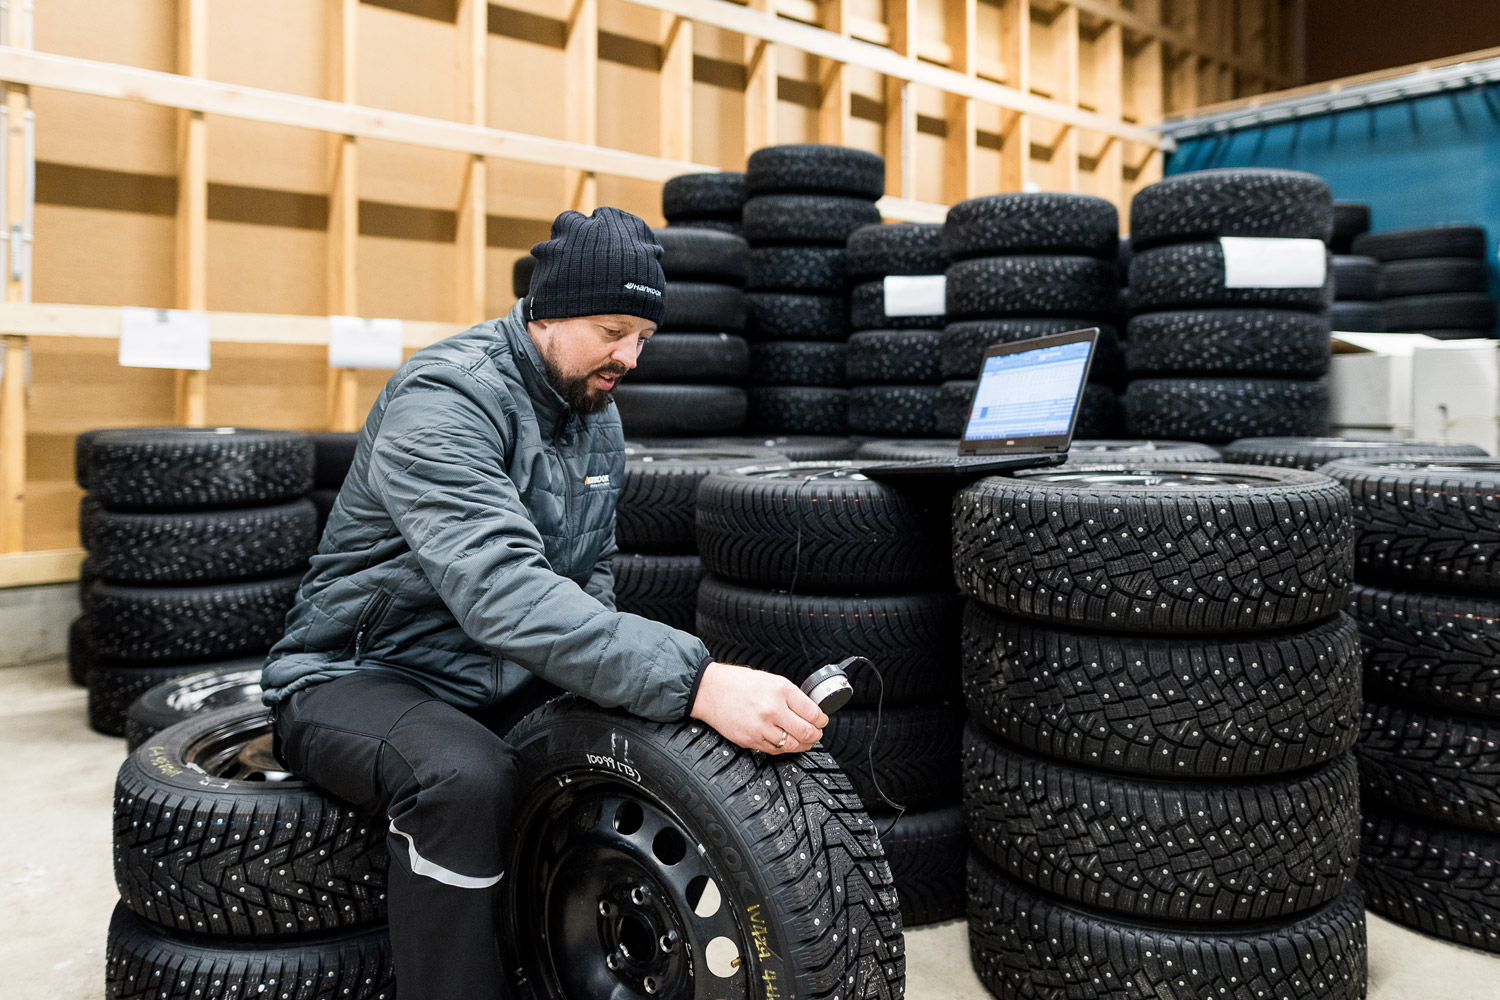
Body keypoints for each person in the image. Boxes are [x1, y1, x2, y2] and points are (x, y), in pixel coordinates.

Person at [260, 206, 828, 999]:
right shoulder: (446, 397)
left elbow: (590, 574)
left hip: (497, 673)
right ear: (548, 310)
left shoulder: (596, 416)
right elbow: (502, 591)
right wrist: (698, 681)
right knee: (466, 778)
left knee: (641, 730)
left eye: (644, 336)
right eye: (612, 329)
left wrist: (640, 702)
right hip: (364, 674)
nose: (629, 356)